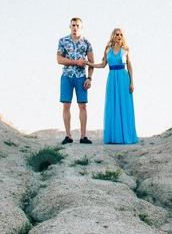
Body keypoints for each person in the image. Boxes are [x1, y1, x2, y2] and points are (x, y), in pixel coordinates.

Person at [94, 27, 138, 145]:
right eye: (116, 34)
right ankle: (114, 137)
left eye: (120, 35)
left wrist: (132, 82)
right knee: (112, 105)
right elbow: (103, 64)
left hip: (123, 79)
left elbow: (129, 66)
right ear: (113, 36)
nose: (119, 36)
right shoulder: (107, 49)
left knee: (124, 105)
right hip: (112, 78)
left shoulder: (126, 50)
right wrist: (90, 64)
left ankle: (126, 136)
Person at [56, 17, 94, 145]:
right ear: (69, 26)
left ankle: (83, 136)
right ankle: (68, 136)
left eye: (77, 25)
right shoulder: (63, 41)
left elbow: (91, 62)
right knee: (66, 105)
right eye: (73, 25)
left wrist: (89, 78)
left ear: (81, 27)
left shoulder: (87, 43)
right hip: (67, 76)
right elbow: (59, 59)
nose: (75, 27)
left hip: (81, 77)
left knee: (82, 105)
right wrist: (75, 62)